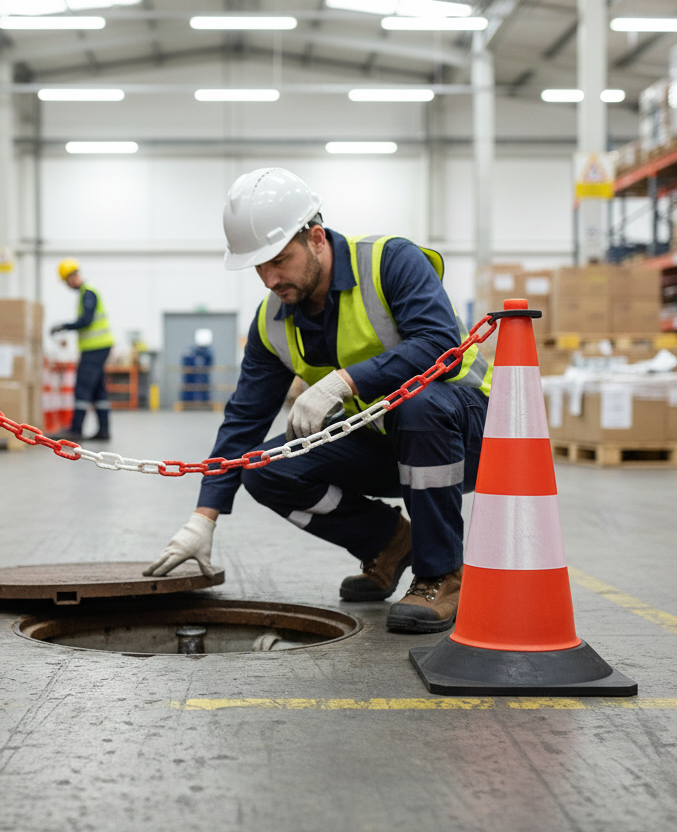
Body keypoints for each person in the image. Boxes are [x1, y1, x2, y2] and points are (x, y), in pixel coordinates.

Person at [143, 168, 492, 634]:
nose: (270, 278)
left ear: (316, 237)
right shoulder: (272, 322)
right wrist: (203, 517)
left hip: (467, 432)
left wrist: (344, 382)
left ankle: (442, 573)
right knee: (265, 465)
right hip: (390, 442)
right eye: (259, 267)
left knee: (418, 404)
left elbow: (441, 347)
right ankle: (390, 543)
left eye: (279, 260)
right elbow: (244, 420)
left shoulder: (390, 262)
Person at [49, 258, 115, 442]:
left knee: (82, 388)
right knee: (98, 391)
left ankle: (75, 430)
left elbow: (86, 320)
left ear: (72, 277)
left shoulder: (88, 292)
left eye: (66, 281)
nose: (67, 285)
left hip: (95, 348)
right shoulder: (87, 293)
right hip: (99, 347)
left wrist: (63, 326)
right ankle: (104, 431)